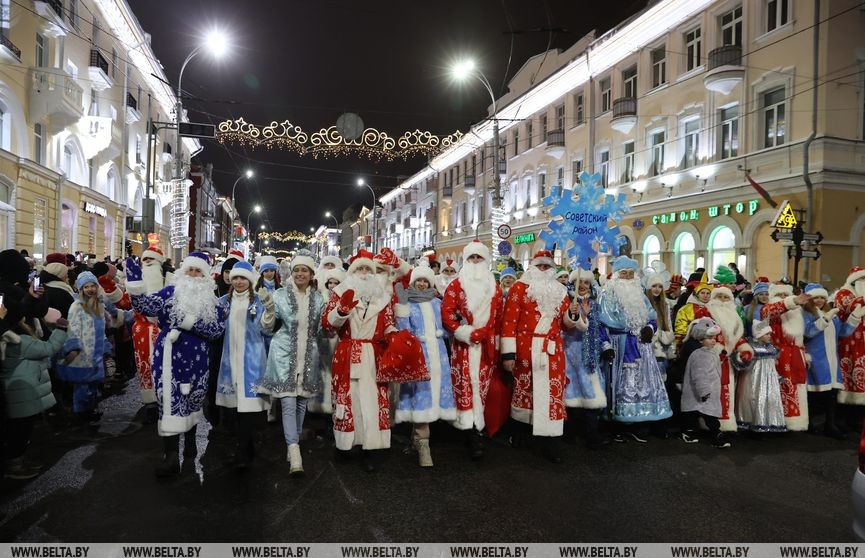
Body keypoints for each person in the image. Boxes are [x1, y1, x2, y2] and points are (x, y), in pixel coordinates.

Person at [126, 252, 226, 477]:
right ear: (182, 272)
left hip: (197, 360)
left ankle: (190, 446)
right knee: (169, 401)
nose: (192, 275)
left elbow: (217, 331)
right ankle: (170, 455)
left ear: (205, 276)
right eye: (189, 270)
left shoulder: (212, 301)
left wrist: (188, 323)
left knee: (192, 401)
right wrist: (134, 282)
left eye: (198, 271)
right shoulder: (170, 292)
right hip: (169, 357)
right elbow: (145, 306)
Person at [322, 249, 398, 471]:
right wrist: (341, 311)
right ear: (352, 272)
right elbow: (328, 326)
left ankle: (370, 449)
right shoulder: (339, 292)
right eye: (360, 269)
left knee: (373, 402)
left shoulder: (383, 297)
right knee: (348, 399)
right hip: (348, 352)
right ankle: (345, 443)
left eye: (368, 269)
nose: (364, 273)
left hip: (374, 355)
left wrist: (393, 335)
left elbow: (389, 323)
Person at [501, 250, 575, 462]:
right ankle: (521, 433)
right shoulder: (519, 288)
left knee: (551, 393)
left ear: (553, 269)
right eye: (539, 266)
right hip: (526, 348)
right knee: (526, 391)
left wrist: (574, 313)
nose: (543, 270)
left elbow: (566, 325)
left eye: (547, 267)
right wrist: (508, 353)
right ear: (532, 267)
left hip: (552, 350)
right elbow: (509, 322)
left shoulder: (561, 291)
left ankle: (550, 440)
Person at [259, 252, 325, 475]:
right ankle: (294, 452)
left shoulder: (318, 299)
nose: (299, 274)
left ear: (311, 274)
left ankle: (292, 443)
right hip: (284, 356)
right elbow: (266, 328)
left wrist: (339, 314)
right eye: (296, 270)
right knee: (287, 404)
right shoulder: (278, 295)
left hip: (308, 357)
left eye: (304, 270)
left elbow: (323, 330)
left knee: (300, 404)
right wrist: (268, 309)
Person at [597, 256, 672, 439]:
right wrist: (605, 344)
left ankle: (639, 420)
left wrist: (649, 328)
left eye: (631, 274)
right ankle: (618, 424)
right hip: (620, 345)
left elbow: (652, 317)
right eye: (624, 274)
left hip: (641, 347)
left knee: (642, 383)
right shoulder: (607, 294)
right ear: (616, 275)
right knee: (621, 385)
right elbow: (601, 323)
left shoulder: (639, 294)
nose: (628, 277)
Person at [441, 241, 503, 460]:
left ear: (486, 261)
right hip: (464, 346)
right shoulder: (456, 286)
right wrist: (464, 331)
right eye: (472, 258)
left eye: (479, 258)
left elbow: (500, 317)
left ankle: (480, 426)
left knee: (484, 387)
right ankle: (469, 430)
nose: (475, 262)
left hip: (487, 346)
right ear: (466, 261)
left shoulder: (495, 287)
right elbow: (447, 313)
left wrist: (491, 338)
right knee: (465, 385)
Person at [393, 259, 456, 467]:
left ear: (430, 284)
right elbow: (403, 331)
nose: (421, 284)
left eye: (425, 281)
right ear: (412, 283)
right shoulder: (407, 304)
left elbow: (447, 329)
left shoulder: (438, 303)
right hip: (419, 356)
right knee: (421, 399)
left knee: (434, 397)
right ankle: (423, 445)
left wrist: (458, 323)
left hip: (439, 357)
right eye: (418, 281)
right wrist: (401, 310)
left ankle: (416, 440)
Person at [215, 260, 275, 470]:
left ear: (249, 281)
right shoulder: (222, 302)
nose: (239, 282)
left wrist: (269, 310)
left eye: (243, 278)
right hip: (230, 360)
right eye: (236, 278)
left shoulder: (258, 302)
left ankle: (244, 451)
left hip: (252, 361)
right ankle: (244, 448)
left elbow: (268, 330)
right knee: (233, 410)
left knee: (248, 410)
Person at [1, 306, 67, 479]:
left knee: (18, 429)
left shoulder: (7, 338)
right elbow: (48, 349)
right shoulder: (20, 340)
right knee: (20, 431)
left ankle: (19, 461)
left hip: (16, 392)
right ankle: (15, 465)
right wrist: (61, 330)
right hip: (23, 394)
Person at [57, 272, 111, 424]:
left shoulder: (99, 305)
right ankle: (81, 413)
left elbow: (102, 330)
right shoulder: (76, 306)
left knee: (93, 385)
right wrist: (73, 347)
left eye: (92, 285)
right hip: (83, 353)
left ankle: (89, 410)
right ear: (81, 289)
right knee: (82, 386)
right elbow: (72, 328)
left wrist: (105, 347)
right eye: (86, 286)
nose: (90, 289)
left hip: (96, 352)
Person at [562, 268, 608, 448]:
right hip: (571, 353)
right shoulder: (567, 301)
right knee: (572, 395)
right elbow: (566, 327)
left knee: (590, 394)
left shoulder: (595, 303)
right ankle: (571, 434)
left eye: (586, 282)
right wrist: (580, 315)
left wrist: (605, 345)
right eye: (579, 282)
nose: (582, 286)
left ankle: (591, 435)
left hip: (590, 355)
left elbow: (601, 328)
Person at [125, 246, 172, 412]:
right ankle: (149, 401)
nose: (148, 263)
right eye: (145, 260)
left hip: (164, 332)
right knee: (145, 365)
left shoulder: (169, 280)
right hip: (143, 331)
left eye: (151, 260)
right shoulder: (136, 281)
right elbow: (128, 302)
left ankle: (165, 398)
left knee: (165, 366)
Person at [760, 283, 812, 431]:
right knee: (779, 389)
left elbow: (799, 338)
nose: (783, 298)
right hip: (777, 357)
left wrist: (804, 355)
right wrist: (792, 301)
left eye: (785, 295)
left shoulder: (796, 313)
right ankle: (776, 422)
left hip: (795, 356)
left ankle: (794, 421)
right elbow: (769, 311)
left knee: (796, 387)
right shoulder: (767, 310)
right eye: (779, 295)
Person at [802, 283, 845, 438]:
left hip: (831, 359)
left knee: (831, 393)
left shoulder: (831, 313)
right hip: (816, 359)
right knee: (814, 393)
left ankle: (830, 424)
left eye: (822, 297)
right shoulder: (806, 314)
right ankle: (809, 423)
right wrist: (825, 318)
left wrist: (855, 317)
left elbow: (844, 332)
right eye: (816, 297)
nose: (819, 300)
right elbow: (808, 332)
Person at [680, 317, 731, 448]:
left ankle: (713, 434)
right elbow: (699, 374)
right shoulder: (699, 354)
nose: (714, 340)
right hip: (703, 392)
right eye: (710, 338)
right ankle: (712, 435)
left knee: (703, 413)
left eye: (714, 337)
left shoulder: (710, 352)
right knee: (702, 414)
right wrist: (704, 391)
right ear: (701, 339)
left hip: (709, 391)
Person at [732, 319, 786, 434]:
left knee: (769, 400)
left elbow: (772, 365)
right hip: (754, 380)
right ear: (759, 334)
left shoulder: (771, 348)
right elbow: (740, 361)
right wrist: (742, 358)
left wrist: (776, 377)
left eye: (769, 333)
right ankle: (752, 423)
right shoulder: (751, 348)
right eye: (767, 334)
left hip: (769, 380)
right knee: (754, 399)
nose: (769, 336)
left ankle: (769, 423)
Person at [308, 266, 346, 415]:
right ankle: (318, 407)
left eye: (336, 283)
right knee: (321, 372)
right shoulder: (321, 298)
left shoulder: (344, 300)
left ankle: (335, 407)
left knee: (335, 373)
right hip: (321, 341)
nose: (332, 286)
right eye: (330, 282)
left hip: (338, 341)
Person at [833, 267, 865, 407]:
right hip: (848, 342)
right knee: (848, 376)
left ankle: (857, 416)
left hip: (862, 343)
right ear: (855, 280)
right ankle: (844, 416)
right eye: (862, 279)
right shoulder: (843, 293)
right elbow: (852, 306)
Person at [674, 273, 713, 348]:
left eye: (708, 293)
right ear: (697, 294)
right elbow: (680, 331)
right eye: (702, 293)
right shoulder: (686, 309)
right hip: (691, 343)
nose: (705, 295)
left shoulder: (713, 308)